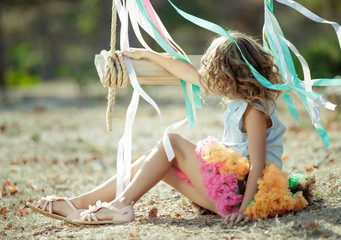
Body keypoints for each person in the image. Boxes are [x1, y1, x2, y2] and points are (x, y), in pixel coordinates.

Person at [27, 30, 311, 225]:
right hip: (228, 193)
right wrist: (149, 56)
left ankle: (121, 205)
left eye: (219, 77)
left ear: (234, 75)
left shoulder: (255, 111)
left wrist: (247, 211)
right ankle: (78, 204)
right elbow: (188, 73)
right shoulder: (237, 95)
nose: (213, 83)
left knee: (172, 142)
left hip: (243, 195)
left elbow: (259, 165)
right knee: (154, 161)